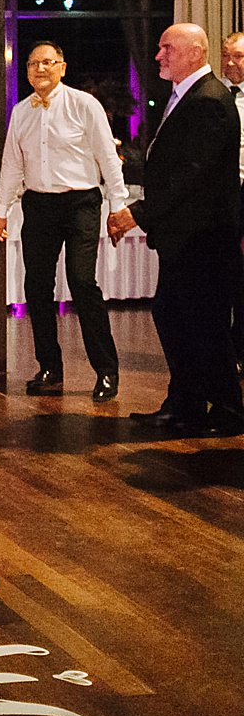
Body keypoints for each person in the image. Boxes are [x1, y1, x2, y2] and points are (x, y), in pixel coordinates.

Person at [108, 24, 243, 437]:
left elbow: (191, 175)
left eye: (167, 48)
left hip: (204, 237)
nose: (158, 55)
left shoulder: (209, 101)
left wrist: (139, 213)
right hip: (189, 235)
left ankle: (226, 410)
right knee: (181, 317)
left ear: (195, 53)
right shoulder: (191, 95)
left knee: (201, 322)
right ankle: (185, 404)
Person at [0, 41, 129, 403]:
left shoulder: (84, 105)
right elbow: (12, 166)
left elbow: (108, 158)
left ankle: (107, 370)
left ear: (62, 67)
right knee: (36, 287)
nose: (40, 69)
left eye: (48, 63)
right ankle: (49, 366)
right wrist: (2, 212)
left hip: (81, 202)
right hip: (38, 205)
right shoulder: (21, 112)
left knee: (82, 282)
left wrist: (118, 206)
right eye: (34, 64)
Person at [220, 31, 244, 373]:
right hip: (225, 195)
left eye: (237, 56)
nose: (229, 62)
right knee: (227, 274)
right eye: (226, 55)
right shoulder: (217, 96)